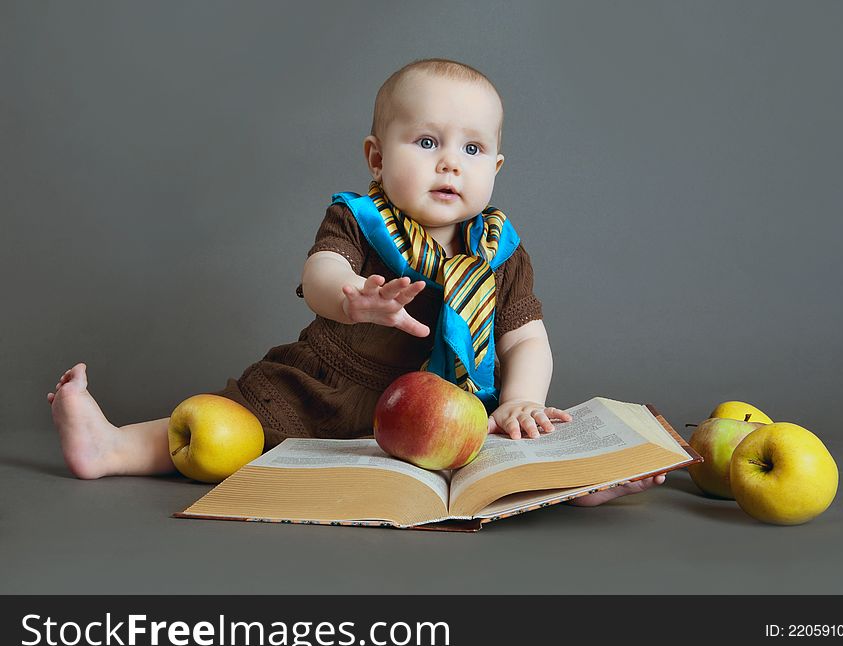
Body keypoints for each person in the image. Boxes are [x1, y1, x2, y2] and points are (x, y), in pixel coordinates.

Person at [48, 58, 664, 506]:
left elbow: (525, 339)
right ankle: (114, 448)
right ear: (376, 157)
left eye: (473, 149)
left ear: (496, 168)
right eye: (427, 142)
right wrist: (351, 295)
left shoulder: (502, 251)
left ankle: (582, 484)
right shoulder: (361, 220)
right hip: (333, 384)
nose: (451, 161)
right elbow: (320, 271)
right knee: (235, 421)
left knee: (519, 443)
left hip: (455, 406)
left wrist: (520, 398)